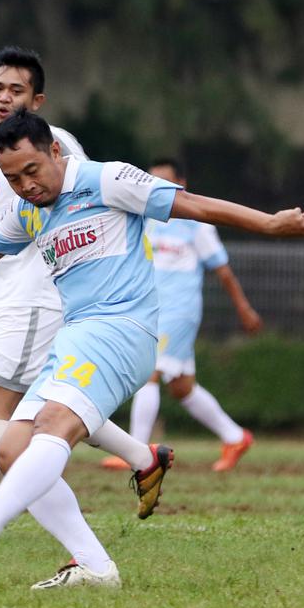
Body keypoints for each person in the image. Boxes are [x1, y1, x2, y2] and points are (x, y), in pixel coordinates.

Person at [0, 110, 304, 589]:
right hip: (77, 336)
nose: (25, 185)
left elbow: (196, 206)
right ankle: (96, 566)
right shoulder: (27, 209)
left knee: (55, 426)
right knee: (12, 450)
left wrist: (269, 223)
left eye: (32, 171)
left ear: (55, 152)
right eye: (12, 178)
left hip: (124, 329)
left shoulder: (108, 179)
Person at [0, 47, 172, 543]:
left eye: (17, 90)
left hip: (38, 290)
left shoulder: (56, 144)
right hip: (1, 291)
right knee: (48, 407)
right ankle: (143, 457)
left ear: (38, 99)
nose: (5, 98)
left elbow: (91, 203)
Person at [102, 158, 261, 472]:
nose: (154, 188)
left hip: (179, 311)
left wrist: (244, 308)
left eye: (163, 181)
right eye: (150, 181)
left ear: (181, 186)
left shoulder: (195, 222)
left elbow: (223, 271)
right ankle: (235, 436)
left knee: (149, 372)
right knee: (182, 387)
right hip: (150, 309)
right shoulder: (143, 218)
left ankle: (135, 452)